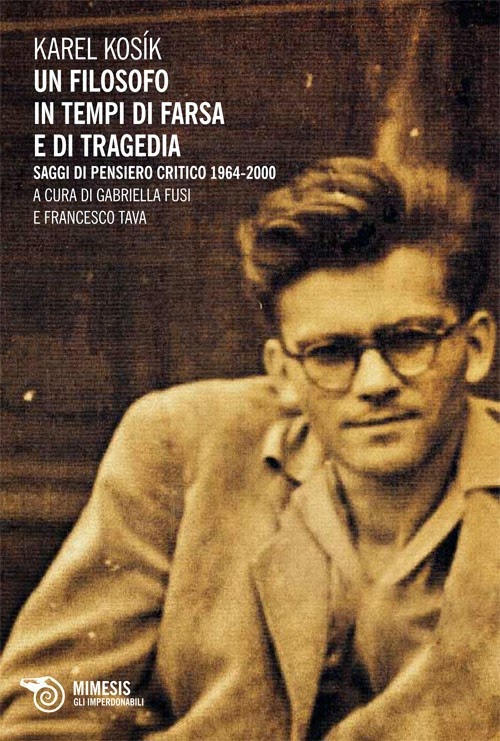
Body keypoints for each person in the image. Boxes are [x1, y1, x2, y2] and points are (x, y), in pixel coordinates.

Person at [0, 157, 498, 740]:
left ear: (476, 347)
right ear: (282, 371)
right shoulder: (182, 443)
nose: (374, 382)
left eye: (410, 340)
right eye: (330, 352)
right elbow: (52, 704)